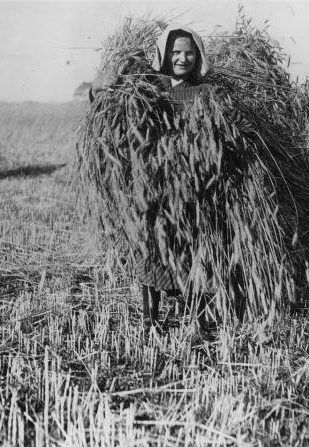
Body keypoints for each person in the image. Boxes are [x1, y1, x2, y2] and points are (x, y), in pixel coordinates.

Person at [90, 23, 214, 330]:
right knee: (149, 246)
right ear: (164, 54)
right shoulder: (147, 86)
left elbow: (216, 134)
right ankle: (150, 319)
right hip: (150, 183)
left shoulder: (205, 92)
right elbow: (110, 110)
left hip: (190, 184)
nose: (183, 58)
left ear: (198, 57)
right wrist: (97, 88)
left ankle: (198, 317)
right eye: (176, 52)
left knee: (191, 246)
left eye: (189, 53)